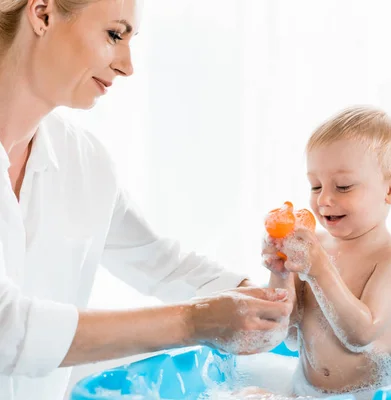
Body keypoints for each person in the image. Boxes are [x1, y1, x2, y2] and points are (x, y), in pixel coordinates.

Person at [0, 0, 292, 399]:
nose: (127, 65)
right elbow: (8, 327)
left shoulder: (84, 163)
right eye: (114, 35)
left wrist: (265, 300)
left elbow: (162, 266)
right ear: (42, 13)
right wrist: (193, 323)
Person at [259, 106, 391, 399]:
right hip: (304, 389)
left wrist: (319, 271)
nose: (324, 199)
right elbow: (286, 329)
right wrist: (279, 273)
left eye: (343, 187)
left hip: (369, 394)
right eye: (315, 185)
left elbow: (361, 335)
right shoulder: (313, 247)